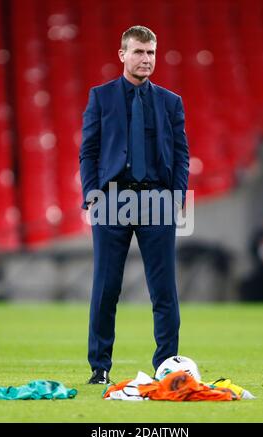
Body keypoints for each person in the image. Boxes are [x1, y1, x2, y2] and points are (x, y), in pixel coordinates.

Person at [79, 26, 189, 384]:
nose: (146, 59)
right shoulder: (101, 97)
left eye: (151, 53)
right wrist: (92, 195)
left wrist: (177, 196)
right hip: (111, 199)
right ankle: (100, 368)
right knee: (106, 287)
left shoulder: (171, 102)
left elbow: (181, 154)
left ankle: (166, 366)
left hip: (158, 200)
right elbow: (89, 152)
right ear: (122, 54)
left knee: (164, 290)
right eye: (139, 52)